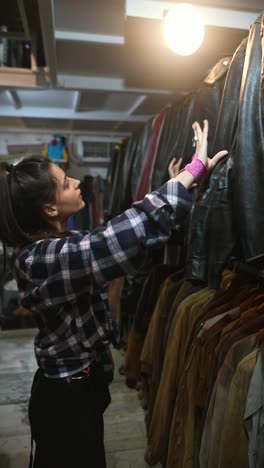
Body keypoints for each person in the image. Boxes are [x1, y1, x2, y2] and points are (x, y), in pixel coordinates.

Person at [0, 120, 227, 468]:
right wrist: (192, 170)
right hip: (65, 399)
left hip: (77, 388)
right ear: (49, 209)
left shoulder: (59, 247)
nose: (76, 182)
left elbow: (129, 240)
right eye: (65, 182)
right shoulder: (39, 259)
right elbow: (112, 242)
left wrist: (177, 184)